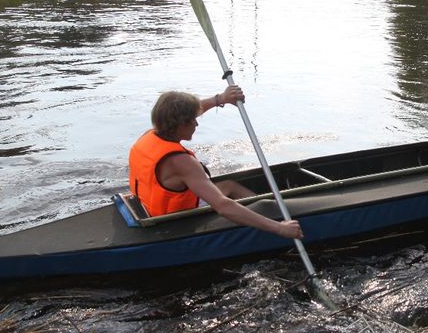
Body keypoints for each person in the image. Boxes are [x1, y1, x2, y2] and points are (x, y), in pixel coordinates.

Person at [129, 86, 303, 239]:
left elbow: (191, 111)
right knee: (231, 191)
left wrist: (221, 99)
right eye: (192, 120)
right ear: (181, 123)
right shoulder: (182, 162)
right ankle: (276, 218)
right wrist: (280, 229)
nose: (197, 123)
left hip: (147, 209)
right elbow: (222, 205)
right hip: (176, 221)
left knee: (228, 185)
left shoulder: (150, 135)